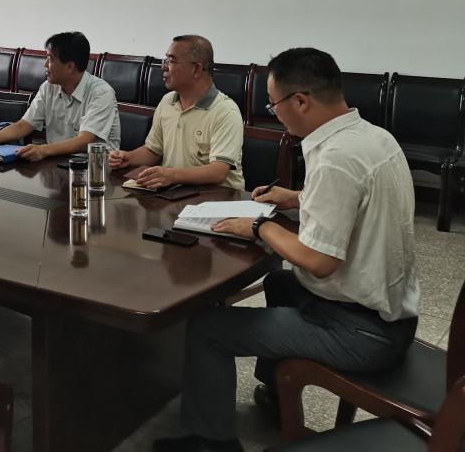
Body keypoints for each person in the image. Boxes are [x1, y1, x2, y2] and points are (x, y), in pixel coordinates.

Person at [153, 48, 420, 452]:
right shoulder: (371, 136)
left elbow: (319, 261)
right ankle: (278, 392)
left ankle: (211, 442)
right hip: (392, 314)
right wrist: (296, 198)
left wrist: (259, 227)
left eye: (274, 104)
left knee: (207, 330)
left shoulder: (336, 158)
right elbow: (354, 201)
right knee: (280, 283)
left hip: (362, 332)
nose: (274, 113)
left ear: (301, 101)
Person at [109, 35, 244, 191]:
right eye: (165, 60)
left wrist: (171, 175)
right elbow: (154, 150)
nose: (164, 67)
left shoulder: (225, 111)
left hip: (218, 197)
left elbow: (218, 172)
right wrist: (129, 157)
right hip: (175, 193)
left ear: (196, 69)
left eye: (171, 61)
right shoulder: (167, 101)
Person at [0, 31, 119, 160]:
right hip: (56, 162)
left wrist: (43, 150)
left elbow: (85, 141)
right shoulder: (48, 87)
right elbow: (24, 125)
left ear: (69, 66)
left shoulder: (101, 93)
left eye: (50, 59)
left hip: (97, 170)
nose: (45, 65)